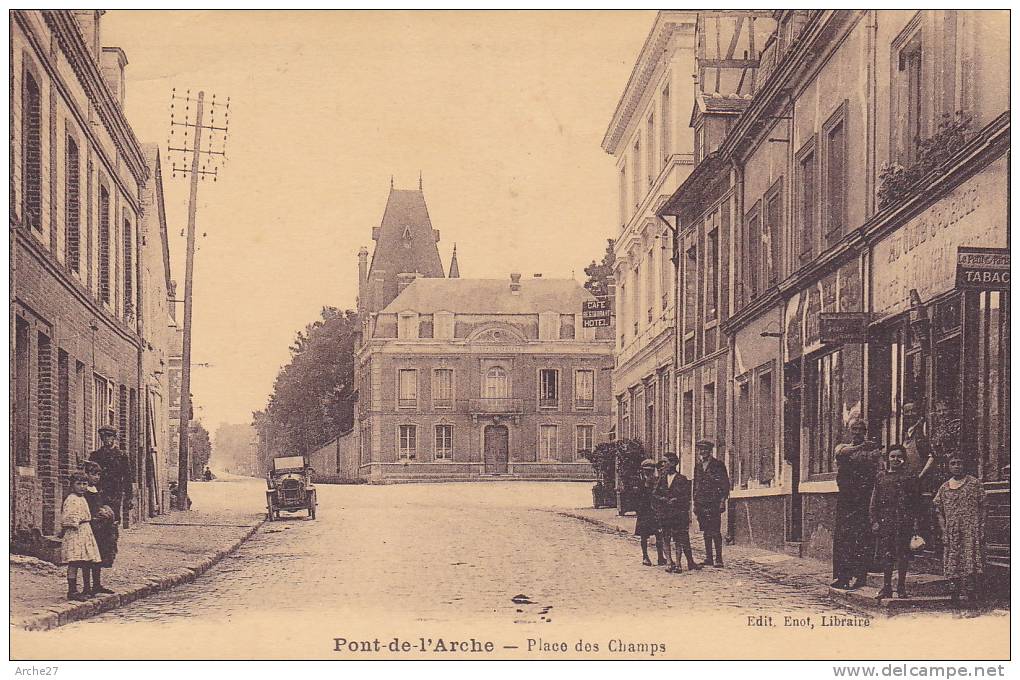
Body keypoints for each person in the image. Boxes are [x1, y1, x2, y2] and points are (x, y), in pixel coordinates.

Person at [832, 419, 882, 590]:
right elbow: (842, 453)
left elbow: (878, 468)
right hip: (846, 497)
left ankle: (859, 575)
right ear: (849, 430)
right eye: (854, 429)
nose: (857, 432)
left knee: (861, 536)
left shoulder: (872, 450)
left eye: (861, 429)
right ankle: (842, 576)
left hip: (864, 497)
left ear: (865, 431)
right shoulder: (842, 446)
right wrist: (863, 447)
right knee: (843, 536)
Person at [870, 445, 921, 599]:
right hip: (886, 521)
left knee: (902, 555)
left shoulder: (910, 477)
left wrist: (915, 523)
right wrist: (874, 521)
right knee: (887, 555)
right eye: (892, 456)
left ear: (903, 458)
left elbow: (916, 502)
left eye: (899, 456)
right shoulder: (881, 477)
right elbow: (874, 501)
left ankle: (901, 587)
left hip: (904, 521)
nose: (895, 459)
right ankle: (886, 587)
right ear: (888, 458)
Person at [933, 455, 986, 603]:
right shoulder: (944, 487)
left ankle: (971, 592)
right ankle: (954, 593)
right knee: (953, 559)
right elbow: (939, 511)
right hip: (953, 531)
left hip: (970, 529)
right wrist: (944, 531)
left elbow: (983, 508)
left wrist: (981, 528)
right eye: (953, 463)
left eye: (959, 463)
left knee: (970, 559)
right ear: (949, 466)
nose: (956, 466)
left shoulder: (975, 484)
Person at [652, 453, 701, 574]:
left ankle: (678, 563)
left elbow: (686, 497)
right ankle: (669, 562)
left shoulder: (682, 479)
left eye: (666, 462)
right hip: (665, 513)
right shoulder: (661, 478)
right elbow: (654, 493)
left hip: (678, 513)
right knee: (666, 537)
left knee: (678, 538)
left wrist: (676, 500)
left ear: (673, 463)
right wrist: (663, 499)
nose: (663, 465)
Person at [61, 472, 102, 601]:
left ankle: (87, 588)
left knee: (86, 560)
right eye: (78, 484)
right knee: (74, 561)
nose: (82, 487)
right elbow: (68, 517)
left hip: (85, 531)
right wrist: (75, 522)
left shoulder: (82, 498)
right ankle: (72, 590)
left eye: (85, 484)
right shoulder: (71, 499)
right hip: (75, 532)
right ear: (72, 485)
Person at [692, 440, 730, 568]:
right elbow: (695, 485)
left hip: (714, 502)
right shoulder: (698, 466)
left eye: (705, 449)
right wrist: (695, 502)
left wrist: (722, 501)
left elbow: (725, 484)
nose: (703, 452)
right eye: (701, 450)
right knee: (706, 531)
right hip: (701, 502)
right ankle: (709, 558)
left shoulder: (718, 465)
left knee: (715, 531)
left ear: (710, 451)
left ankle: (718, 558)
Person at [83, 461, 117, 595]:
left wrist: (106, 509)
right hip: (90, 527)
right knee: (87, 557)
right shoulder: (83, 491)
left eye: (98, 475)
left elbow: (102, 503)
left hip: (100, 528)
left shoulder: (98, 490)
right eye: (93, 474)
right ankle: (87, 587)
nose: (96, 477)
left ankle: (96, 584)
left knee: (98, 556)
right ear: (86, 474)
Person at [89, 426, 133, 525]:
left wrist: (129, 497)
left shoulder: (121, 456)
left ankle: (111, 539)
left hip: (115, 492)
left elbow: (127, 477)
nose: (106, 439)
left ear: (114, 438)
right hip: (98, 490)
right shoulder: (95, 455)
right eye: (103, 437)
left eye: (109, 436)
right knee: (98, 516)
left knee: (113, 519)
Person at [634, 459, 666, 566]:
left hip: (655, 511)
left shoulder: (657, 481)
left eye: (651, 471)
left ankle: (660, 557)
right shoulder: (639, 482)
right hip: (644, 512)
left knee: (659, 535)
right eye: (646, 471)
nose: (649, 473)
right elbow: (635, 497)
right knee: (644, 536)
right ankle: (645, 556)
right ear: (643, 471)